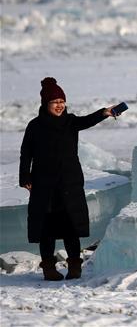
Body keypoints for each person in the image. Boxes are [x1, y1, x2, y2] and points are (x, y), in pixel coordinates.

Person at [19, 77, 118, 281]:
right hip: (44, 185)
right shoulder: (35, 126)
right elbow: (25, 153)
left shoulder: (70, 122)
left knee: (70, 226)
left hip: (69, 183)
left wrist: (104, 113)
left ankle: (74, 266)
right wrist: (24, 177)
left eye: (62, 101)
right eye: (55, 102)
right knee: (46, 229)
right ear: (46, 104)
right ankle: (49, 268)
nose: (59, 105)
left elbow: (87, 120)